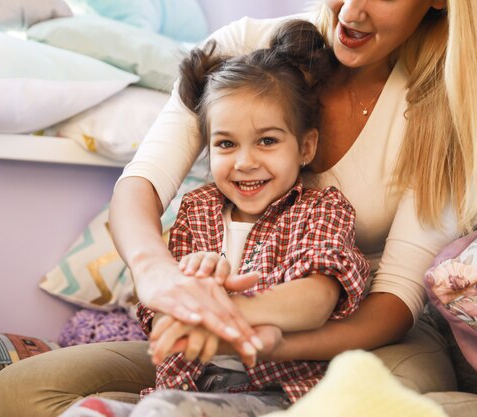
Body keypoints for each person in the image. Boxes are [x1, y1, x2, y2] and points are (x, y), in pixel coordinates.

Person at [0, 1, 477, 416]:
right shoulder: (247, 51)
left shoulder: (447, 104)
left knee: (371, 404)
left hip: (362, 333)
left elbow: (394, 299)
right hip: (214, 339)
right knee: (22, 389)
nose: (351, 11)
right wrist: (162, 278)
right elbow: (141, 184)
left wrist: (251, 335)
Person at [58, 19, 370, 417]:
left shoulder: (322, 209)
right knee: (87, 411)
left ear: (306, 147)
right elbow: (161, 319)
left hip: (281, 389)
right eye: (226, 144)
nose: (244, 162)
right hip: (190, 383)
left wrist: (217, 310)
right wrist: (189, 283)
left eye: (268, 141)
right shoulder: (197, 209)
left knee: (166, 412)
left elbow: (316, 300)